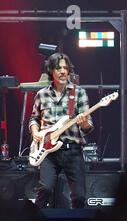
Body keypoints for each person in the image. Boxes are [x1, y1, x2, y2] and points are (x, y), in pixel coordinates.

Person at [29, 52, 93, 209]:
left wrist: (84, 123)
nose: (63, 71)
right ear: (51, 71)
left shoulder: (79, 93)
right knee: (44, 189)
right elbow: (33, 119)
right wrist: (35, 132)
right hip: (48, 152)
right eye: (59, 68)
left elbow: (88, 127)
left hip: (72, 150)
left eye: (66, 68)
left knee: (79, 196)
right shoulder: (41, 94)